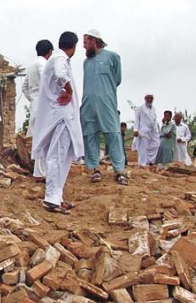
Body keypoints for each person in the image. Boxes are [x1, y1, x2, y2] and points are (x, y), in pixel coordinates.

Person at [31, 31, 83, 215]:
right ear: (73, 46)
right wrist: (67, 90)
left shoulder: (57, 59)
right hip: (61, 117)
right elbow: (61, 74)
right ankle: (51, 199)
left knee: (64, 158)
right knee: (57, 157)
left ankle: (57, 197)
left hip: (64, 117)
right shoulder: (59, 58)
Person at [79, 29, 128, 185]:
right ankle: (95, 170)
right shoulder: (86, 62)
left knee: (113, 134)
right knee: (90, 135)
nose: (84, 46)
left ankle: (119, 171)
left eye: (86, 42)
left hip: (107, 103)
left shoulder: (112, 57)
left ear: (94, 41)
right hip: (88, 104)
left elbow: (117, 79)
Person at [23, 39, 54, 181]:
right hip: (43, 104)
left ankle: (38, 170)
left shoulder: (31, 65)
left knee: (36, 138)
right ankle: (40, 173)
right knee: (43, 139)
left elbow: (24, 87)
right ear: (50, 52)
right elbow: (47, 81)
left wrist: (33, 99)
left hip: (35, 104)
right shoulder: (43, 64)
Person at [132, 94, 160, 167]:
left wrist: (156, 131)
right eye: (148, 98)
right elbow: (137, 119)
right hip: (143, 131)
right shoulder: (140, 108)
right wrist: (136, 129)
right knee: (142, 148)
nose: (149, 100)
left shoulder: (153, 109)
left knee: (156, 144)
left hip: (153, 131)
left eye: (151, 98)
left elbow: (154, 120)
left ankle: (150, 161)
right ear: (145, 99)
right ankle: (142, 164)